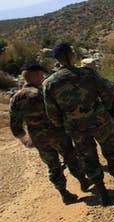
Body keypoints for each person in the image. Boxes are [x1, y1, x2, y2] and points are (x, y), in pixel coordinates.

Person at [43, 42, 114, 206]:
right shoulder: (88, 74)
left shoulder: (49, 83)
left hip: (76, 129)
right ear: (72, 54)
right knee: (112, 150)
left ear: (56, 59)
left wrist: (64, 125)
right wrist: (106, 110)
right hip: (100, 121)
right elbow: (108, 93)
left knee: (87, 158)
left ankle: (103, 194)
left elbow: (52, 113)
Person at [10, 63, 90, 204]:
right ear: (34, 75)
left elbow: (15, 127)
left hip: (39, 139)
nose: (43, 77)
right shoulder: (44, 92)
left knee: (53, 166)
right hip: (58, 134)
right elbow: (59, 112)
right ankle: (83, 182)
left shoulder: (16, 99)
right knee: (72, 158)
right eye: (41, 74)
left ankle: (64, 194)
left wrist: (26, 141)